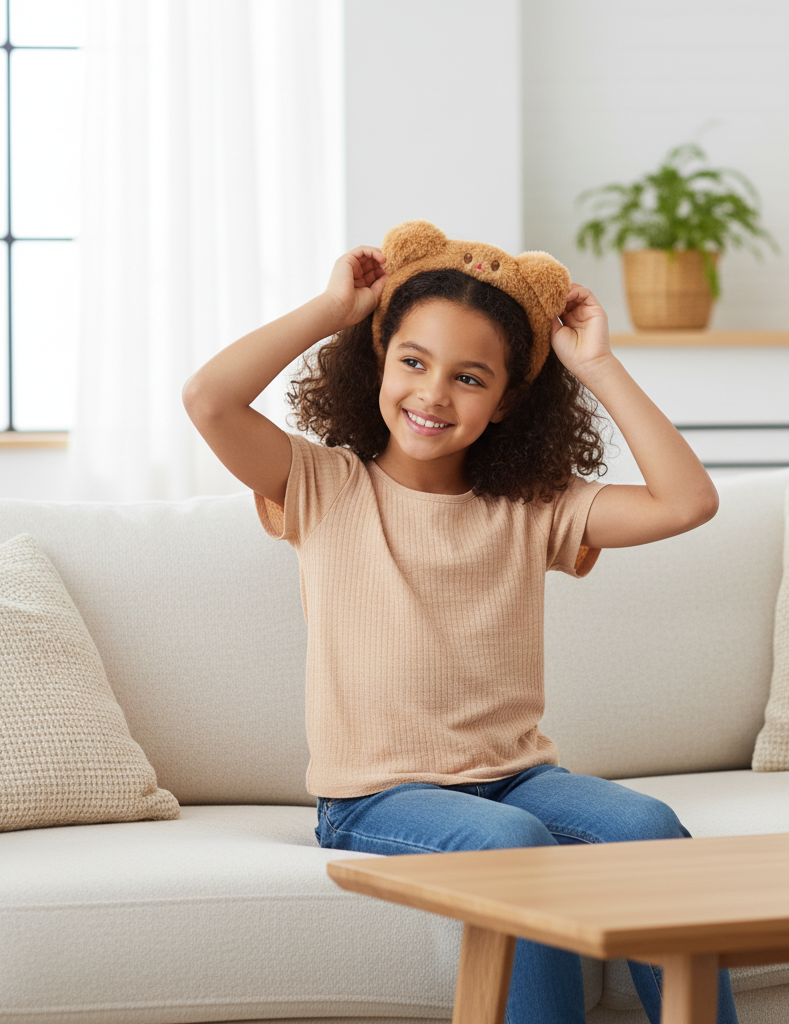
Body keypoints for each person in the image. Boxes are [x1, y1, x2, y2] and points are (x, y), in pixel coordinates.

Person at [182, 222, 736, 1024]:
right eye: (412, 361)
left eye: (469, 378)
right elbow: (209, 398)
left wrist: (598, 365)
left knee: (646, 825)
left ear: (507, 399)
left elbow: (688, 502)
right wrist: (333, 308)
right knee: (512, 844)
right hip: (376, 797)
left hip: (519, 777)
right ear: (379, 363)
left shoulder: (531, 507)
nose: (433, 394)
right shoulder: (323, 486)